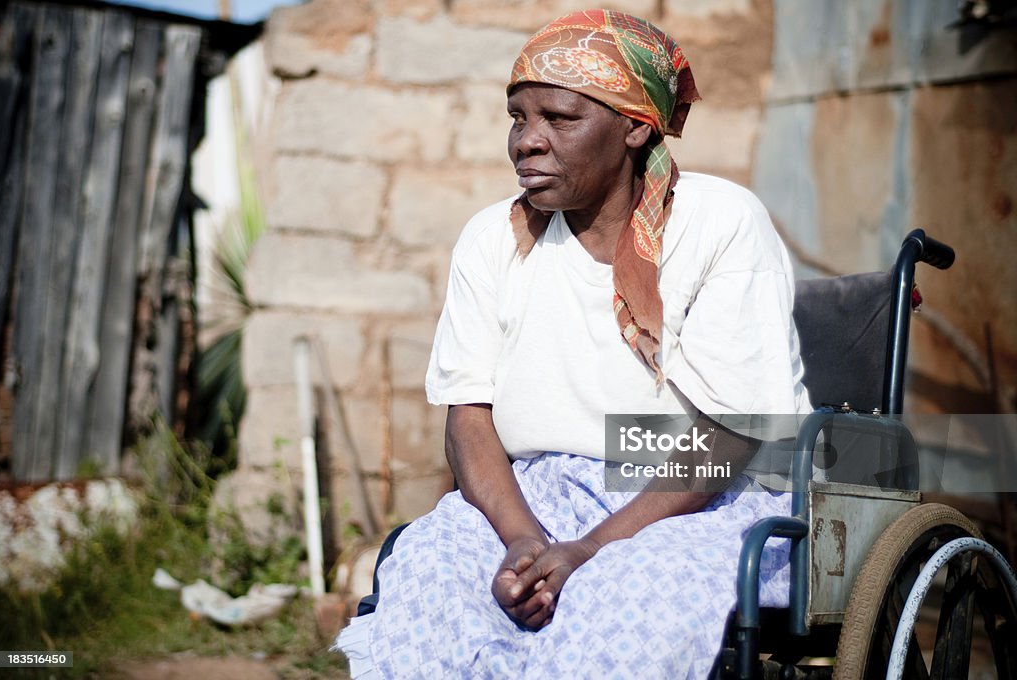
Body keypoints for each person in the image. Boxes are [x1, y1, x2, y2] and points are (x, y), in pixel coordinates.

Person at [336, 9, 812, 678]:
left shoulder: (720, 223)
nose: (528, 141)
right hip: (529, 497)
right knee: (433, 570)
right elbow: (468, 417)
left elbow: (730, 432)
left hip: (691, 500)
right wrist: (526, 540)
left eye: (559, 119)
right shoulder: (491, 238)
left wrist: (591, 549)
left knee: (626, 599)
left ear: (636, 126)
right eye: (519, 118)